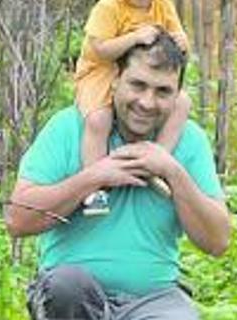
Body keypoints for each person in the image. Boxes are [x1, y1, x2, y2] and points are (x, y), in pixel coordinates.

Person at [4, 32, 231, 320]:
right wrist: (95, 176)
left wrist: (172, 171)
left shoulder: (188, 141)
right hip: (74, 295)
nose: (147, 101)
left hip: (153, 297)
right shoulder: (70, 126)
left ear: (178, 94)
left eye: (163, 91)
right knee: (66, 288)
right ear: (114, 80)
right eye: (138, 85)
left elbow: (217, 242)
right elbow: (18, 219)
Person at [75, 0, 190, 215]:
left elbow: (178, 42)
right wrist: (134, 38)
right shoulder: (108, 7)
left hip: (143, 72)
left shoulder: (162, 5)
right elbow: (99, 49)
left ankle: (155, 160)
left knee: (182, 103)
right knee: (98, 118)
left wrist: (182, 42)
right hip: (101, 70)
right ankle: (95, 186)